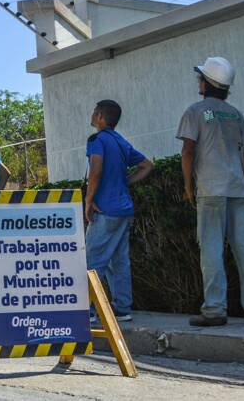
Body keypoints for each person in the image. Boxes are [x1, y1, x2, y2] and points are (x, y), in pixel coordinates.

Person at [177, 56, 244, 326]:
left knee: (211, 249)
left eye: (201, 77)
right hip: (238, 190)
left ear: (207, 83)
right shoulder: (236, 114)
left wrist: (187, 186)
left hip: (211, 189)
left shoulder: (196, 111)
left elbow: (188, 150)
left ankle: (215, 310)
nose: (198, 81)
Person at [84, 99, 154, 322]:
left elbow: (96, 170)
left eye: (95, 112)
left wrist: (88, 200)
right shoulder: (121, 142)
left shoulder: (97, 140)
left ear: (101, 117)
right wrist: (124, 183)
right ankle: (122, 308)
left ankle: (89, 311)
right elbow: (147, 165)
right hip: (124, 209)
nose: (93, 115)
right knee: (119, 260)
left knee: (93, 260)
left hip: (105, 209)